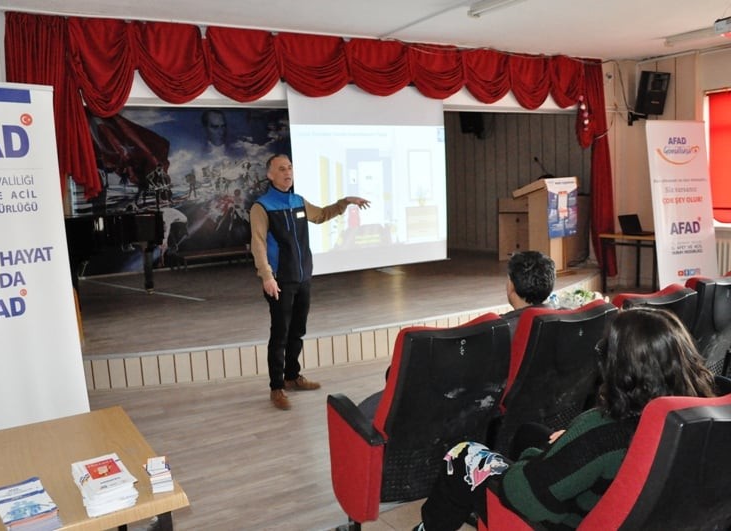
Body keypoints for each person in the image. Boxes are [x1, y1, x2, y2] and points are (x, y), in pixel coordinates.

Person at [413, 307, 718, 531]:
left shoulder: (602, 430)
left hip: (569, 520)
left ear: (621, 369)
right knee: (529, 433)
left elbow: (522, 495)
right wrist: (568, 444)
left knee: (464, 455)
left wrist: (546, 454)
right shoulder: (699, 416)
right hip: (638, 508)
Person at [357, 250, 556, 419]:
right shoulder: (562, 321)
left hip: (476, 412)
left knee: (371, 408)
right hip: (534, 410)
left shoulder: (496, 332)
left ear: (511, 285)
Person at [250, 154, 370, 411]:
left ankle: (292, 376)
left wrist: (346, 202)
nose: (287, 172)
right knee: (280, 334)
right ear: (270, 175)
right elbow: (258, 243)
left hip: (303, 277)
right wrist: (267, 275)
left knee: (298, 331)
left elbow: (323, 215)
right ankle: (276, 387)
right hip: (280, 280)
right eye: (281, 169)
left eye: (290, 168)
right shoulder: (262, 207)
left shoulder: (298, 201)